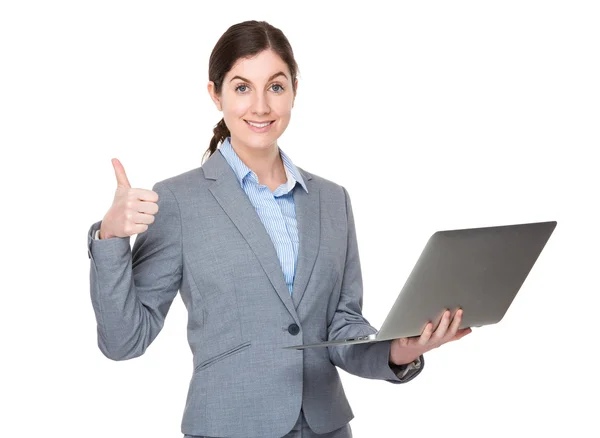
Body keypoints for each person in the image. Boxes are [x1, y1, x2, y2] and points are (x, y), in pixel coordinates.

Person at [87, 20, 471, 438]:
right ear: (215, 94)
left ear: (294, 90)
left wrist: (400, 350)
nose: (261, 107)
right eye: (241, 87)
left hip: (327, 428)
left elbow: (342, 326)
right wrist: (110, 238)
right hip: (229, 427)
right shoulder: (178, 201)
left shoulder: (332, 200)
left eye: (275, 86)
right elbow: (124, 341)